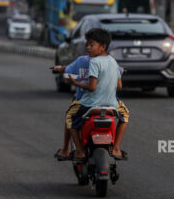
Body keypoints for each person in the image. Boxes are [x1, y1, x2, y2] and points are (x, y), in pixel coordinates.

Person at [54, 28, 129, 162]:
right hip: (112, 105)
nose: (88, 48)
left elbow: (92, 87)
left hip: (90, 104)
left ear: (103, 47)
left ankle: (79, 150)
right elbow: (119, 86)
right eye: (87, 45)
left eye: (91, 45)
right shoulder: (113, 61)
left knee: (70, 118)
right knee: (125, 116)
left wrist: (75, 82)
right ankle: (116, 148)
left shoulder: (93, 62)